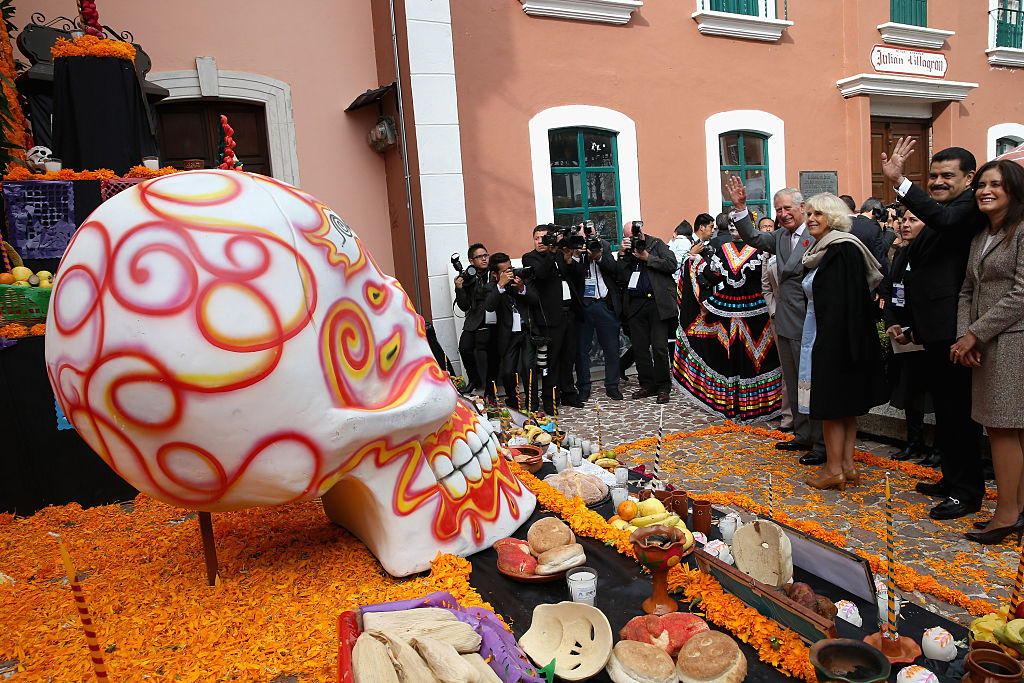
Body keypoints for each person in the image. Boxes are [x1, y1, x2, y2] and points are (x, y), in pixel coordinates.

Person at [882, 139, 987, 520]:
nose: (938, 182)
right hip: (933, 328)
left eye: (947, 176)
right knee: (945, 413)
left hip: (955, 329)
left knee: (960, 416)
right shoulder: (944, 209)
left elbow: (944, 224)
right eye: (933, 176)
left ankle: (967, 492)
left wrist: (902, 183)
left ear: (970, 178)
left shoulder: (967, 207)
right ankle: (952, 478)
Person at [728, 180, 828, 465]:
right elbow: (753, 237)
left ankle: (820, 444)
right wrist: (740, 208)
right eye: (778, 209)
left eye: (788, 208)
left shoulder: (816, 234)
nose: (783, 214)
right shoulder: (781, 237)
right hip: (784, 322)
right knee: (794, 382)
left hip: (809, 323)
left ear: (802, 207)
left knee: (810, 383)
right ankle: (802, 433)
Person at [951, 159, 1024, 544]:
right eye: (980, 184)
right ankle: (1016, 508)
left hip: (1013, 341)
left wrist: (974, 335)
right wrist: (966, 335)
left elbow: (1021, 294)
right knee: (1004, 427)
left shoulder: (1022, 231)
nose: (985, 191)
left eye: (995, 184)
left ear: (1013, 190)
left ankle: (1007, 514)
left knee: (1004, 427)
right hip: (983, 342)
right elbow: (967, 290)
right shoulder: (981, 235)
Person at [796, 192, 887, 491]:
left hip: (834, 339)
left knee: (833, 407)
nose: (811, 219)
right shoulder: (828, 248)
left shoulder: (840, 249)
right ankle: (846, 466)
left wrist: (831, 348)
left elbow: (841, 303)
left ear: (833, 217)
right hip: (830, 334)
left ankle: (834, 468)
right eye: (809, 213)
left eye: (818, 214)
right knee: (844, 407)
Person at [673, 207, 782, 422]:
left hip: (758, 312)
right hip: (727, 311)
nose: (733, 225)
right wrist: (692, 264)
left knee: (759, 359)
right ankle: (734, 403)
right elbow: (711, 276)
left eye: (737, 221)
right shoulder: (723, 249)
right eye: (730, 222)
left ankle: (761, 405)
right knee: (731, 358)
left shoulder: (763, 248)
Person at [881, 209, 938, 466]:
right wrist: (892, 323)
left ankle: (940, 448)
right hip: (903, 336)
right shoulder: (901, 253)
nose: (905, 224)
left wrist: (914, 329)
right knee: (910, 390)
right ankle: (913, 442)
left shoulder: (934, 254)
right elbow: (892, 291)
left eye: (913, 220)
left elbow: (933, 299)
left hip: (927, 333)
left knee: (935, 393)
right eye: (902, 220)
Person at [522, 225, 583, 413]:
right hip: (549, 318)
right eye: (537, 238)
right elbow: (540, 274)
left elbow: (577, 276)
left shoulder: (558, 255)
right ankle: (549, 399)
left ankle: (569, 393)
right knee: (552, 361)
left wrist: (567, 258)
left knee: (569, 357)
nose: (540, 241)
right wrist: (552, 252)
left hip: (569, 313)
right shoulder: (530, 257)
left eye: (544, 238)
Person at [618, 220, 677, 404]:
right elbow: (620, 276)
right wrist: (622, 255)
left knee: (659, 347)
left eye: (636, 234)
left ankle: (663, 386)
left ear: (641, 231)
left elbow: (671, 264)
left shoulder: (656, 244)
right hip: (636, 304)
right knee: (640, 348)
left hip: (657, 303)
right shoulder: (626, 252)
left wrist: (647, 257)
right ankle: (647, 384)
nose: (635, 238)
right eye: (630, 237)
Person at [573, 227, 623, 401]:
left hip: (604, 304)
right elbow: (573, 275)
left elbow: (613, 268)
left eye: (590, 232)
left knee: (611, 349)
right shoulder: (575, 249)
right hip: (584, 306)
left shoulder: (605, 246)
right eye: (584, 233)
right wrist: (578, 255)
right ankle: (584, 387)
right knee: (581, 350)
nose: (588, 236)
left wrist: (598, 256)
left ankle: (612, 385)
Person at [485, 253, 539, 411]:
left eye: (510, 268)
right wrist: (500, 286)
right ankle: (513, 401)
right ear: (495, 274)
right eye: (505, 271)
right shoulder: (491, 288)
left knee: (528, 367)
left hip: (526, 331)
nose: (510, 273)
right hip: (508, 335)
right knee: (508, 372)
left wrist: (522, 288)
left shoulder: (520, 280)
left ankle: (532, 405)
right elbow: (489, 306)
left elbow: (535, 300)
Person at [759, 216, 794, 431]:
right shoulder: (768, 254)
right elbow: (766, 287)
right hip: (779, 317)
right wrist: (773, 311)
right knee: (787, 368)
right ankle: (789, 416)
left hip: (802, 316)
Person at [454, 243, 496, 400]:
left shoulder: (494, 272)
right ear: (471, 261)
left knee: (491, 354)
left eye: (486, 255)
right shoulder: (468, 277)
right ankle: (474, 379)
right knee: (464, 347)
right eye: (480, 256)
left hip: (494, 319)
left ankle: (490, 391)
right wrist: (460, 288)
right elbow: (464, 306)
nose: (485, 258)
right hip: (474, 319)